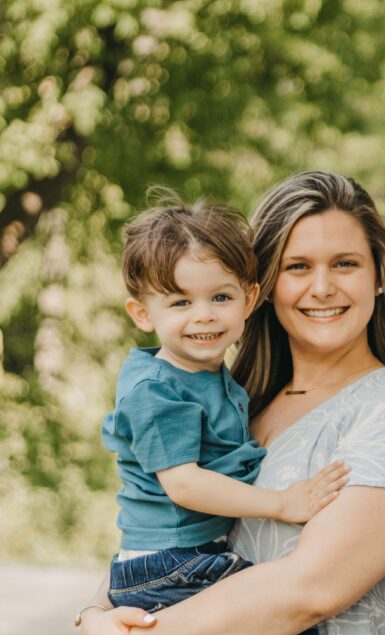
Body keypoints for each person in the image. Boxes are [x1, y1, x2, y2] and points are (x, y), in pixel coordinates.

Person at [79, 171, 385, 634]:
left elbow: (305, 593)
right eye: (298, 267)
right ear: (264, 285)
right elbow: (161, 531)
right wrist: (95, 616)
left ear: (379, 277)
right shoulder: (239, 397)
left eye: (345, 264)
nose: (322, 287)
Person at [101, 195, 347, 624]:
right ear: (142, 314)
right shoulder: (155, 391)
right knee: (280, 610)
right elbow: (185, 485)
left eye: (220, 297)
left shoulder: (212, 376)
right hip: (169, 561)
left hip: (185, 555)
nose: (204, 316)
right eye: (180, 303)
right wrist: (282, 504)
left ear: (249, 300)